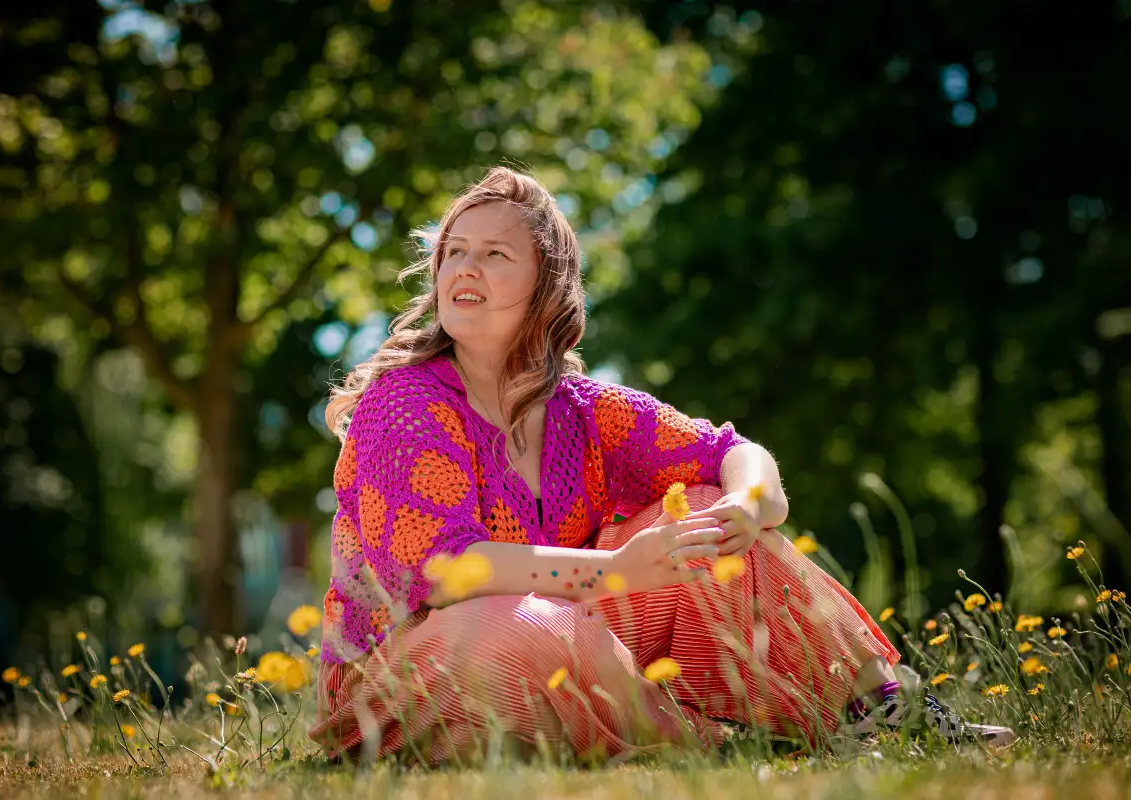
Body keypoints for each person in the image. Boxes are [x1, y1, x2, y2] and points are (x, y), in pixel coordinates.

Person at [308, 166, 1013, 763]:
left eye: (495, 254)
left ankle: (886, 711)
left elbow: (734, 455)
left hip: (564, 631)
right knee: (507, 625)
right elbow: (444, 573)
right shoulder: (402, 402)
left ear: (547, 286)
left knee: (704, 517)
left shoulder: (584, 410)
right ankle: (716, 744)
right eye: (455, 251)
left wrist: (748, 507)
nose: (465, 265)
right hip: (411, 664)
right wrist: (613, 572)